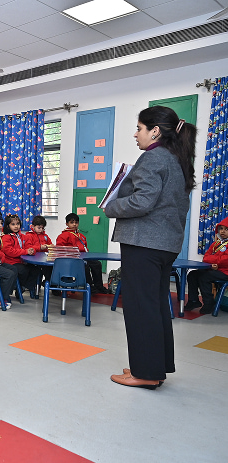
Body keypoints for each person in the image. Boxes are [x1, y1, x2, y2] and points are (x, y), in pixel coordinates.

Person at [104, 106, 196, 389]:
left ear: (155, 131)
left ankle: (144, 373)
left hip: (144, 242)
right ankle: (154, 366)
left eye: (139, 128)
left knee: (139, 307)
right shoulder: (176, 159)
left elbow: (142, 201)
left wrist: (110, 206)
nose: (136, 134)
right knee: (155, 305)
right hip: (165, 244)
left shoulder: (153, 157)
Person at [185, 218, 228, 314]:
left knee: (205, 277)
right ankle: (193, 300)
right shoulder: (216, 244)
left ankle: (209, 303)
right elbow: (206, 258)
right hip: (214, 269)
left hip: (225, 272)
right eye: (221, 228)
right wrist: (213, 264)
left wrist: (215, 262)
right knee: (192, 274)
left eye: (226, 229)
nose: (223, 231)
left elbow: (225, 260)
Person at [56, 213, 107, 294]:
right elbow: (60, 250)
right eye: (72, 222)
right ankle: (89, 286)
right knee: (84, 265)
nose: (74, 224)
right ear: (67, 224)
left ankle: (99, 286)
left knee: (97, 263)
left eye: (76, 222)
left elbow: (85, 248)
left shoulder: (81, 236)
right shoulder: (63, 236)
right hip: (71, 260)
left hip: (83, 257)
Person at [1, 214, 39, 294]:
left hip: (22, 261)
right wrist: (26, 251)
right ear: (7, 226)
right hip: (11, 262)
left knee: (36, 269)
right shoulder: (6, 237)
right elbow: (10, 251)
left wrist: (32, 250)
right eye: (13, 224)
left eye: (17, 224)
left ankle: (23, 287)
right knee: (23, 270)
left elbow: (29, 246)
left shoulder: (23, 236)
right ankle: (18, 288)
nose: (16, 226)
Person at [24, 215, 53, 282]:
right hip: (33, 258)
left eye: (43, 228)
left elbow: (50, 244)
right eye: (39, 228)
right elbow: (28, 247)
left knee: (50, 268)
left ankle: (49, 283)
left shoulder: (45, 236)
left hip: (44, 259)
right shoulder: (29, 235)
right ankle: (41, 283)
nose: (41, 230)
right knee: (36, 270)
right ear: (33, 226)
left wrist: (50, 246)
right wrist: (40, 247)